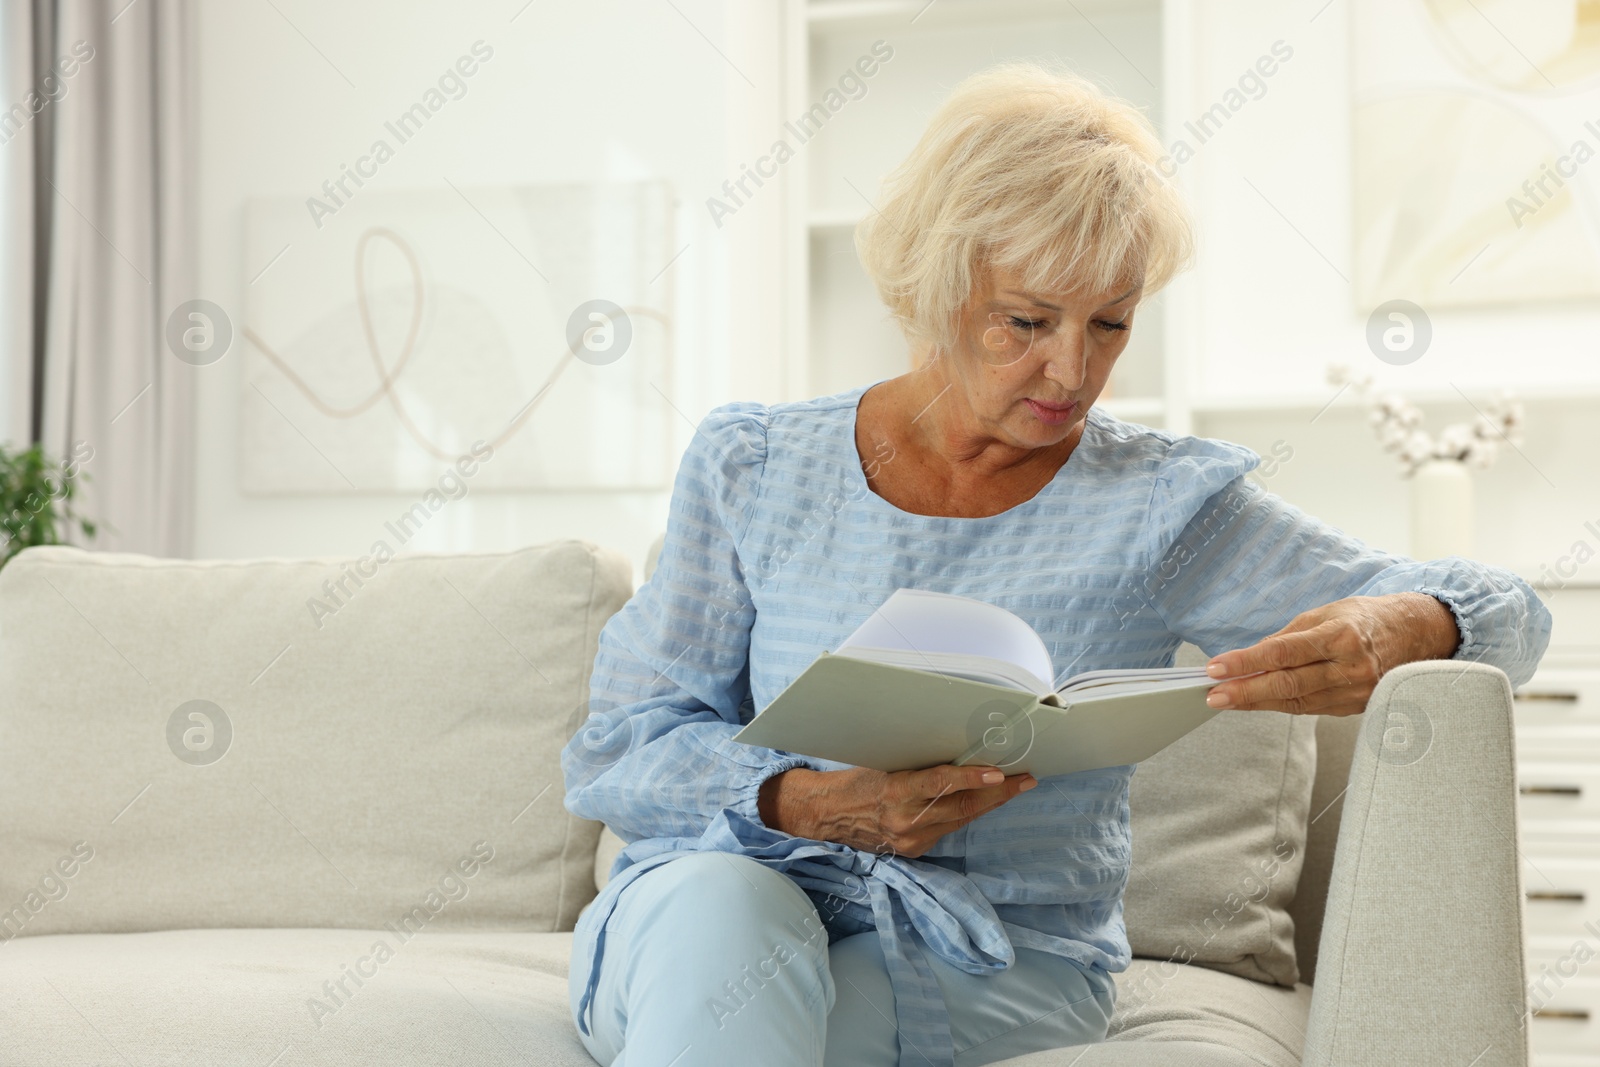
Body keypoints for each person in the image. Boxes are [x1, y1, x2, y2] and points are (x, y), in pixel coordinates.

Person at [562, 62, 1550, 1067]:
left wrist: (1408, 623)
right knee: (728, 913)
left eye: (1110, 323)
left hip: (990, 961)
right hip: (707, 909)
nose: (1072, 371)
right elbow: (618, 747)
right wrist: (809, 802)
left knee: (757, 1026)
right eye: (1026, 321)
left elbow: (1510, 612)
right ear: (935, 291)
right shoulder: (755, 464)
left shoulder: (1161, 503)